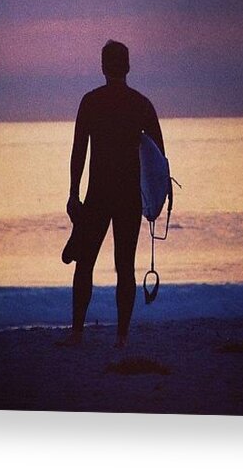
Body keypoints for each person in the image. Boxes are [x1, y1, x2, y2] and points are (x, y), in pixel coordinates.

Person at [64, 40, 164, 348]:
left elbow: (78, 150)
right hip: (129, 197)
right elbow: (159, 158)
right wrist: (156, 201)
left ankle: (78, 333)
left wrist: (72, 192)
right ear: (128, 66)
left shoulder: (90, 102)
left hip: (98, 194)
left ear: (104, 67)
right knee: (125, 266)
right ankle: (121, 338)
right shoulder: (142, 104)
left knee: (85, 264)